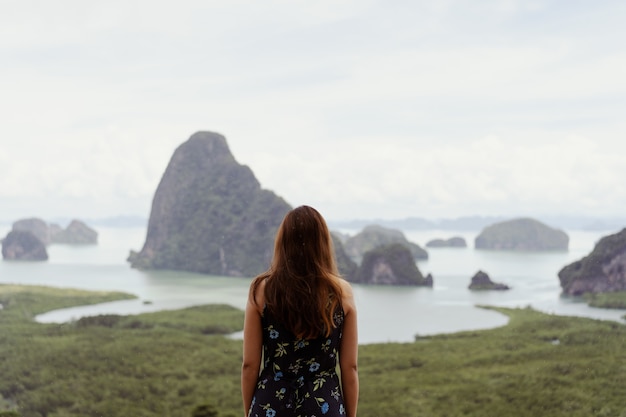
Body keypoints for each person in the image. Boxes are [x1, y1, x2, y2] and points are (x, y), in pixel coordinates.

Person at [241, 205, 359, 417]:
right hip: (324, 406)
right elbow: (350, 368)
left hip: (271, 405)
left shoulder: (261, 290)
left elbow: (249, 365)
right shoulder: (341, 293)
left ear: (283, 242)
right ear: (323, 243)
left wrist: (250, 411)